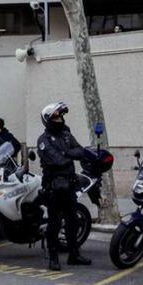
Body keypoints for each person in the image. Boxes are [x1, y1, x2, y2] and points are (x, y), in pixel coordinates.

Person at [37, 102, 92, 271]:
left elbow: (80, 151)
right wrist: (68, 154)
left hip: (70, 185)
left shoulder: (67, 135)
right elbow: (56, 161)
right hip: (54, 187)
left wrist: (66, 153)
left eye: (61, 116)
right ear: (48, 120)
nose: (60, 119)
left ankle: (74, 254)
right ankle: (53, 257)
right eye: (56, 117)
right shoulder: (44, 140)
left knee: (72, 221)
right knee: (54, 223)